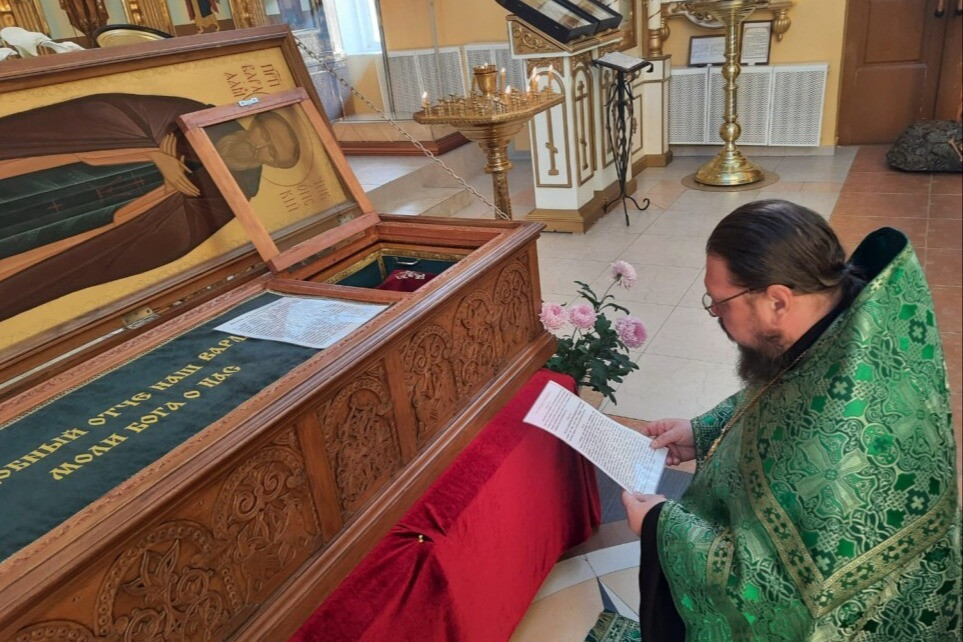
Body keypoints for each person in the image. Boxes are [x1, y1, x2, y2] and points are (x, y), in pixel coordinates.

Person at [621, 200, 961, 640]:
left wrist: (660, 526)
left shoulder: (840, 446)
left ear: (778, 300)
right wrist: (702, 432)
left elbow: (783, 605)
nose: (715, 314)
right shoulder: (845, 324)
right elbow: (787, 399)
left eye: (720, 302)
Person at [0, 93, 300, 322]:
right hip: (53, 171)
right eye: (265, 137)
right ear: (254, 123)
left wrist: (172, 194)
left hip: (90, 219)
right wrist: (153, 153)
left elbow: (179, 238)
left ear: (272, 165)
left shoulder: (237, 192)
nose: (259, 148)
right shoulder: (197, 114)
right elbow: (109, 111)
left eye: (271, 153)